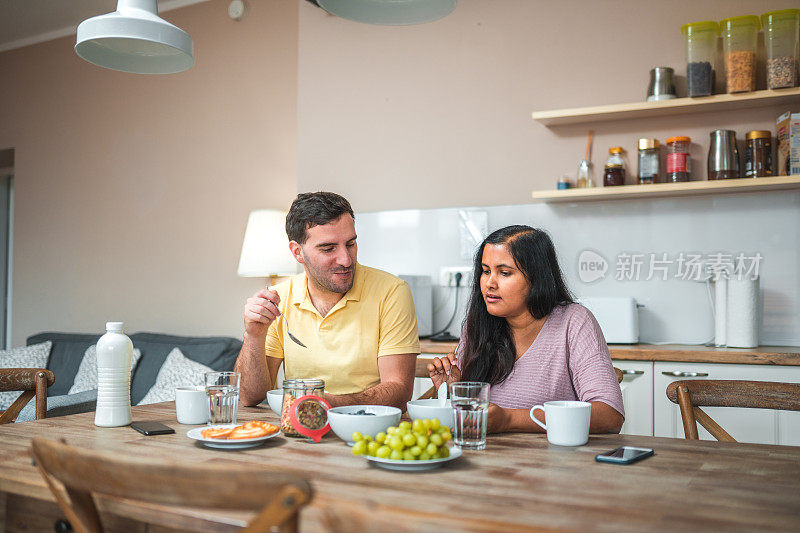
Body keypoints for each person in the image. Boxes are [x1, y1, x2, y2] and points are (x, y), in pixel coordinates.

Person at [427, 225, 624, 434]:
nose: (489, 283)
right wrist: (450, 392)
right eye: (485, 271)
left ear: (537, 278)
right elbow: (472, 420)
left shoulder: (573, 321)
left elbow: (609, 415)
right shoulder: (478, 325)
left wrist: (510, 419)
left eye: (504, 273)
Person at [235, 192, 420, 409]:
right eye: (328, 248)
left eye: (350, 244)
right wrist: (253, 335)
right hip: (300, 429)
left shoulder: (392, 292)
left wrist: (324, 404)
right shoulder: (280, 299)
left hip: (368, 428)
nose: (345, 259)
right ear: (297, 252)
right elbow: (249, 397)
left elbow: (399, 389)